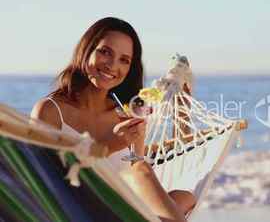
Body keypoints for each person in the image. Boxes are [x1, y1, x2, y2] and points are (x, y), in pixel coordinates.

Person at [31, 17, 195, 222]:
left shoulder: (128, 112)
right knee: (146, 177)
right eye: (105, 52)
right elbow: (41, 182)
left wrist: (181, 113)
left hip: (126, 209)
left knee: (183, 196)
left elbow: (152, 168)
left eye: (124, 60)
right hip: (78, 213)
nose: (112, 65)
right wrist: (108, 146)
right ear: (86, 49)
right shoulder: (50, 111)